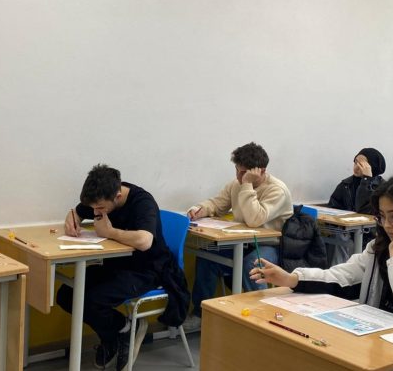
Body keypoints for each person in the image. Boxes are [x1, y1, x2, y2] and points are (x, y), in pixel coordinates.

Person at [251, 174, 393, 370]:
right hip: (383, 342)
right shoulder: (378, 247)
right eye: (382, 216)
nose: (387, 225)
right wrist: (291, 278)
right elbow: (342, 276)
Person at [57, 164, 188, 371]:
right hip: (116, 264)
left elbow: (144, 241)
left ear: (117, 197)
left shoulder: (143, 202)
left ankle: (121, 332)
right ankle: (120, 331)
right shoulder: (102, 195)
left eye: (100, 208)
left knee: (92, 300)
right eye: (94, 208)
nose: (96, 212)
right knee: (66, 294)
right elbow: (79, 212)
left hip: (147, 269)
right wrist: (72, 219)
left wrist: (109, 232)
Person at [183, 142, 293, 332]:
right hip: (239, 242)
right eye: (237, 170)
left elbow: (254, 219)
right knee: (207, 257)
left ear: (261, 171)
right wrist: (199, 210)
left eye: (243, 173)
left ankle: (261, 317)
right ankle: (200, 314)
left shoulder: (277, 190)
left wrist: (247, 185)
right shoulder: (236, 184)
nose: (238, 177)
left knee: (252, 264)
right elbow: (217, 204)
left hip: (269, 245)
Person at [327, 147, 386, 263]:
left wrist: (366, 180)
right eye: (355, 162)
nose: (356, 166)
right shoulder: (346, 185)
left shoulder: (383, 187)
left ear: (372, 166)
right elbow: (333, 206)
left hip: (369, 235)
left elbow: (364, 210)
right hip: (346, 232)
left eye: (362, 164)